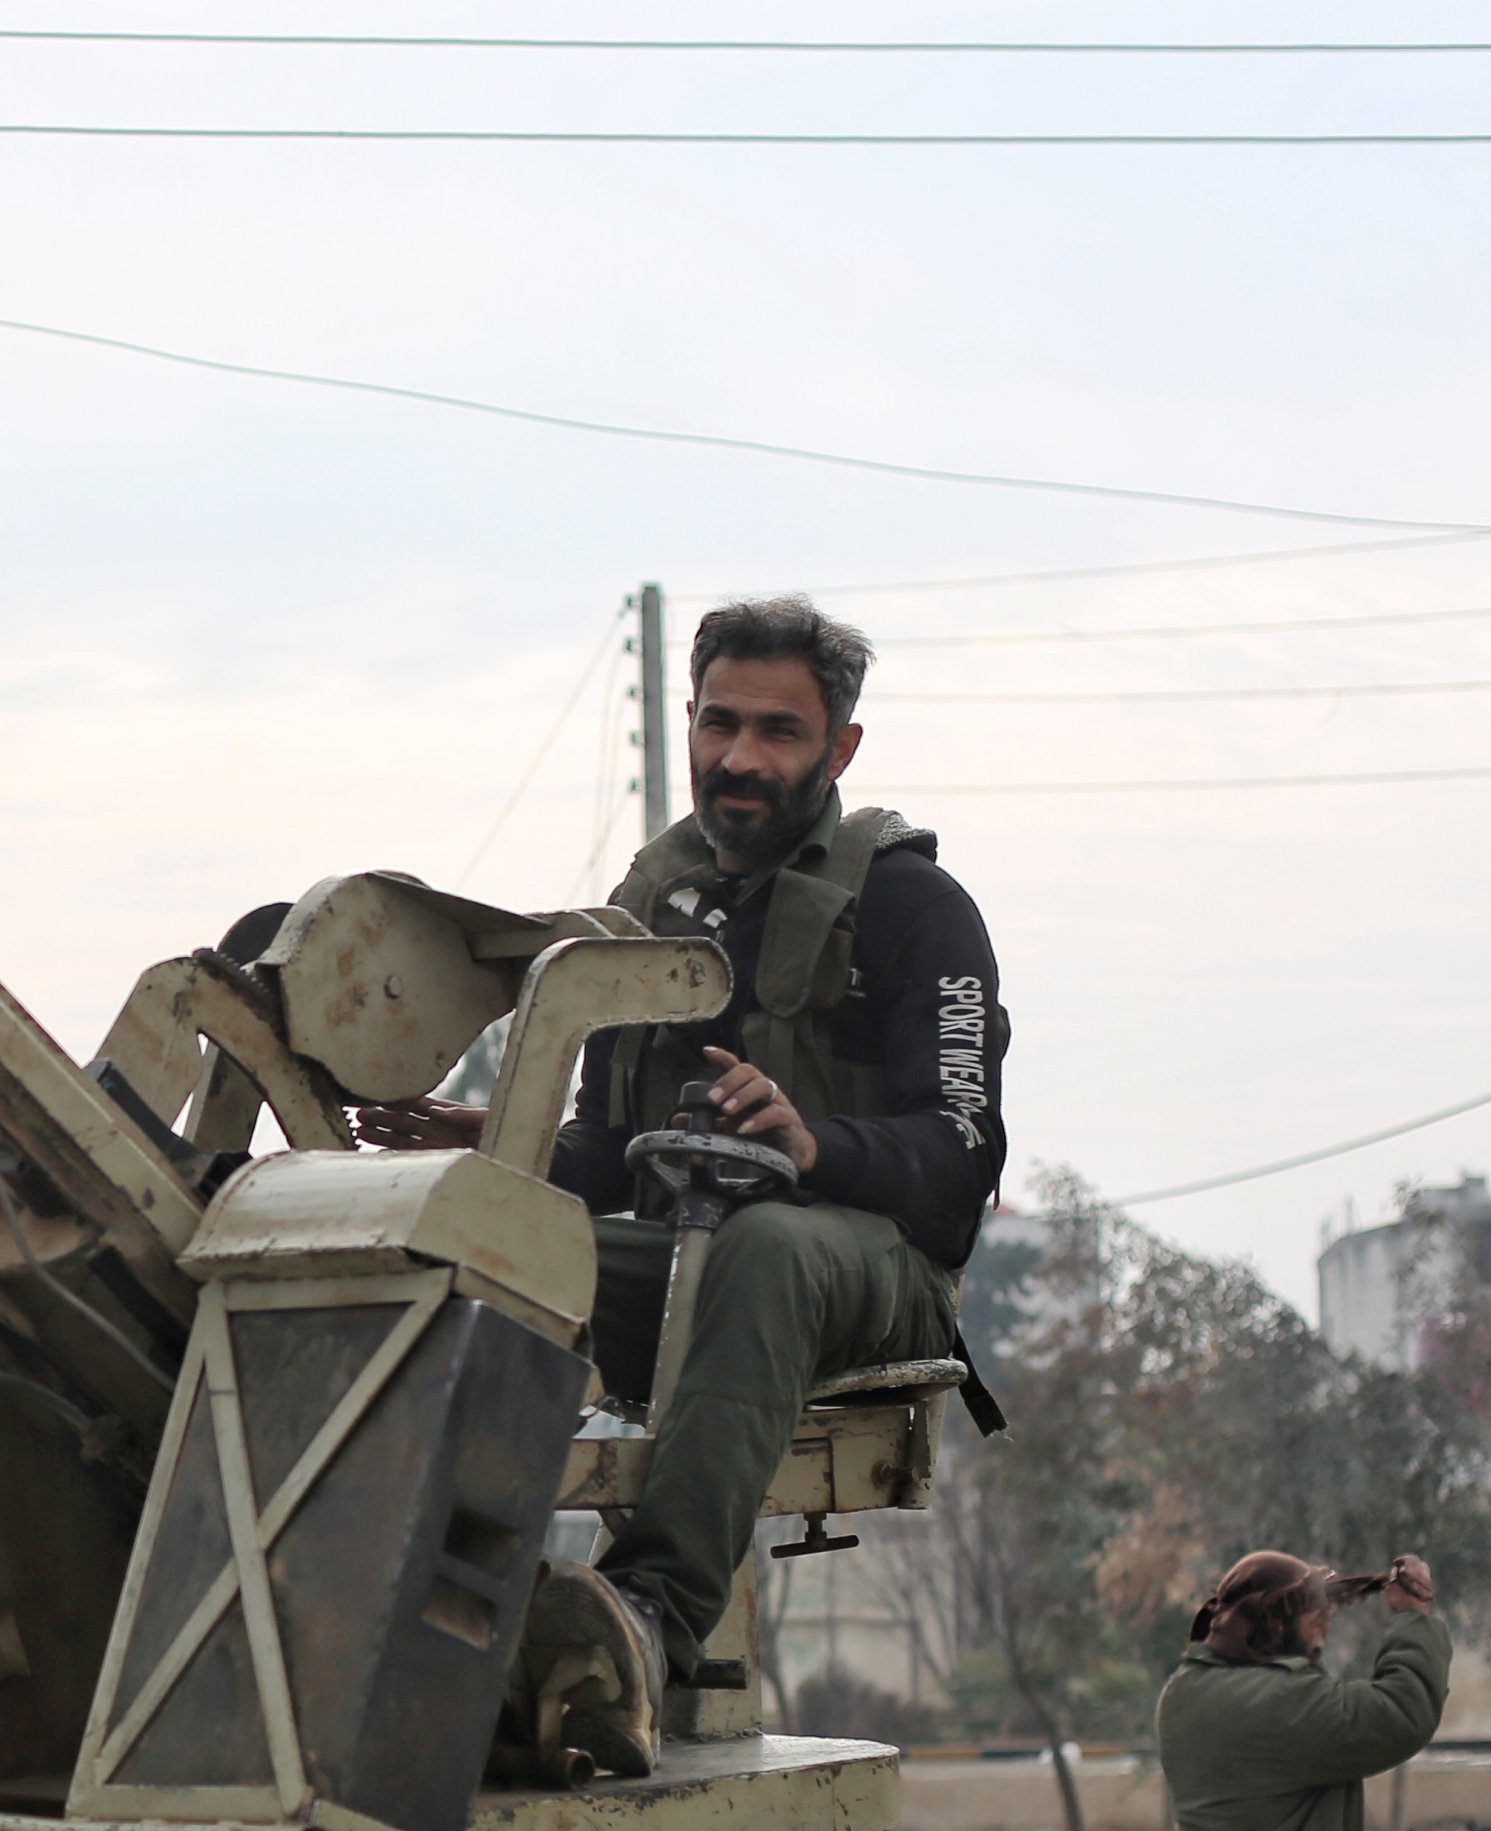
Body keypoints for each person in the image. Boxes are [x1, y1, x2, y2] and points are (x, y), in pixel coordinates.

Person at [360, 597, 1008, 1729]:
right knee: (461, 1244)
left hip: (866, 1272)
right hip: (677, 1255)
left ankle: (646, 1625)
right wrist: (496, 1150)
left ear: (841, 748)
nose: (739, 758)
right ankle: (390, 1609)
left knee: (762, 1245)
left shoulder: (916, 909)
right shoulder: (646, 910)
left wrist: (814, 1142)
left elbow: (959, 1159)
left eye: (779, 731)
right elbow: (609, 1157)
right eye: (719, 724)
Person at [1155, 1551, 1446, 1831]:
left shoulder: (1183, 1690)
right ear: (1276, 1624)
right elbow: (1402, 1713)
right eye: (1316, 1620)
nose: (1324, 1632)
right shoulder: (1281, 1703)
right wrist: (1413, 1614)